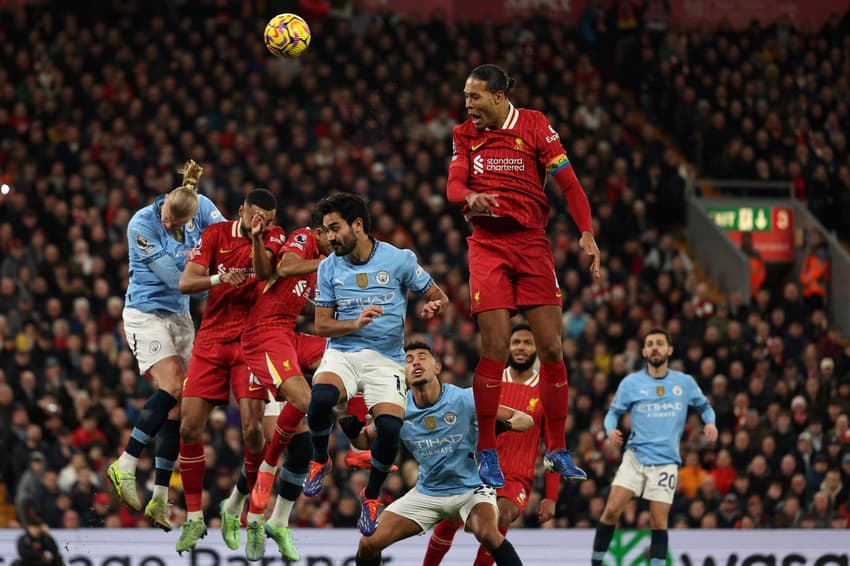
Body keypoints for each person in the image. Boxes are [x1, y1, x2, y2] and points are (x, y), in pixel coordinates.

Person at [447, 63, 600, 487]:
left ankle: (557, 449)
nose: (468, 105)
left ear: (498, 96)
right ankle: (487, 450)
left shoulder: (534, 125)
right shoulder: (465, 134)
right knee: (495, 346)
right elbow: (453, 186)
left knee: (551, 348)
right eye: (465, 97)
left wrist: (586, 232)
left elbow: (569, 184)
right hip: (488, 245)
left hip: (532, 244)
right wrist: (471, 195)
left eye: (475, 97)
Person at [302, 193, 449, 536]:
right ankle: (319, 459)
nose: (330, 237)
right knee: (321, 398)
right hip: (343, 352)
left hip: (387, 359)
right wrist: (354, 324)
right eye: (326, 230)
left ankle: (371, 496)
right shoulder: (328, 267)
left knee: (390, 430)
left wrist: (433, 306)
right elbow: (322, 325)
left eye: (335, 228)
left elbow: (436, 294)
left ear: (358, 225)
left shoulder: (399, 260)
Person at [107, 160, 225, 530]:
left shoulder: (202, 209)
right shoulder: (142, 224)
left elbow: (228, 240)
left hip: (180, 318)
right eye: (169, 221)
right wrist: (222, 276)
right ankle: (125, 463)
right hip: (147, 313)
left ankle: (159, 497)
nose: (171, 227)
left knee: (180, 406)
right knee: (173, 385)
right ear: (163, 207)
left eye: (178, 224)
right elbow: (177, 280)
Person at [173, 189, 283, 555]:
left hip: (250, 340)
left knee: (253, 431)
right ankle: (193, 518)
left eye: (267, 220)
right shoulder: (215, 234)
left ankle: (253, 517)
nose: (263, 225)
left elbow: (266, 270)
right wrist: (221, 279)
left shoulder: (274, 236)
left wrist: (257, 239)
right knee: (189, 426)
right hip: (211, 341)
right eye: (257, 219)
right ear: (241, 211)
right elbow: (186, 283)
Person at [351, 342, 528, 566]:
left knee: (488, 534)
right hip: (428, 493)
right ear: (402, 373)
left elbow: (525, 419)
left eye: (422, 356)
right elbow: (363, 440)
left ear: (437, 367)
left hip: (471, 489)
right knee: (368, 544)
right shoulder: (398, 407)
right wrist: (351, 432)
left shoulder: (465, 399)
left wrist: (504, 426)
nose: (415, 361)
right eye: (408, 360)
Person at [236, 210, 333, 561]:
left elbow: (296, 303)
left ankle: (278, 519)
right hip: (261, 343)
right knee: (260, 439)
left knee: (342, 363)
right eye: (331, 234)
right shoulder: (305, 241)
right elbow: (286, 267)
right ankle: (244, 511)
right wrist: (326, 260)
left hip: (285, 338)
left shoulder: (309, 267)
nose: (334, 243)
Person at [424, 324, 559, 565]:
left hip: (516, 477)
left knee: (501, 517)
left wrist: (551, 496)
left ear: (537, 348)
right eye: (516, 342)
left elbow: (554, 447)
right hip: (476, 469)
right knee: (450, 519)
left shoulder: (545, 392)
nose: (520, 347)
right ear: (507, 346)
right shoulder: (490, 382)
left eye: (527, 343)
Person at [591, 328, 718, 566]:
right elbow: (613, 414)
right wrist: (610, 431)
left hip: (666, 463)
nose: (655, 347)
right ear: (643, 351)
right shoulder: (631, 383)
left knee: (658, 521)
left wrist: (710, 422)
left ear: (669, 350)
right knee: (610, 511)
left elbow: (705, 407)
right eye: (650, 344)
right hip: (635, 458)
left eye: (660, 343)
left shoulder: (685, 383)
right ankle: (595, 563)